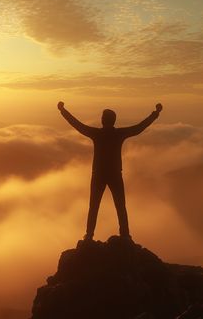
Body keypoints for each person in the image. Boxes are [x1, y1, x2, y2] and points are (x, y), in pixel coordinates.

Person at [58, 101, 163, 241]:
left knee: (94, 206)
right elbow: (139, 128)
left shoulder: (96, 133)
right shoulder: (119, 134)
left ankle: (89, 235)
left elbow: (77, 125)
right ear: (113, 121)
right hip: (115, 174)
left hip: (98, 174)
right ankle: (125, 235)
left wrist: (62, 110)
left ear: (103, 120)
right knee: (120, 205)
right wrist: (155, 113)